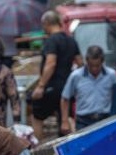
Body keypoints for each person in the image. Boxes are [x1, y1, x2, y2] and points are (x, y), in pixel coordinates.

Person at [28, 11, 79, 140]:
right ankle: (72, 146)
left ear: (46, 24)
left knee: (37, 115)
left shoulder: (51, 41)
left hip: (52, 87)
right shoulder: (71, 40)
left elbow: (50, 64)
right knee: (65, 119)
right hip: (68, 88)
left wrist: (41, 86)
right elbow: (80, 63)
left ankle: (38, 149)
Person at [60, 45, 116, 134]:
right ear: (87, 61)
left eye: (97, 66)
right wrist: (64, 121)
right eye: (91, 66)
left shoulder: (111, 75)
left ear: (102, 62)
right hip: (83, 121)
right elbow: (65, 98)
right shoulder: (76, 76)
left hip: (105, 119)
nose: (94, 69)